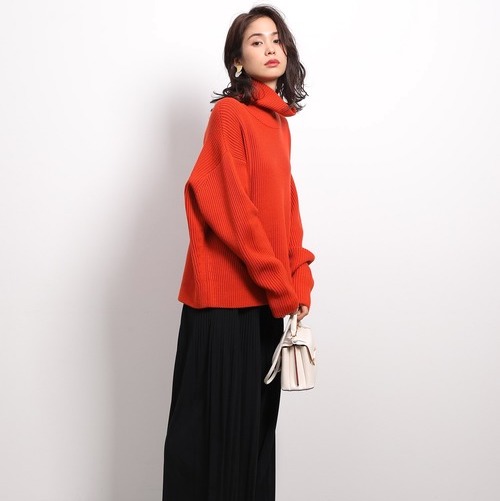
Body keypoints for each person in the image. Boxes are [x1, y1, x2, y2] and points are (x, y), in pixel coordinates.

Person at [162, 5, 315, 500]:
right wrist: (279, 285)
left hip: (265, 302)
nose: (270, 48)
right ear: (236, 60)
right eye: (256, 41)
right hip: (225, 305)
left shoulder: (279, 124)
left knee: (253, 443)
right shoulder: (229, 115)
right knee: (219, 445)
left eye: (276, 39)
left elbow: (285, 208)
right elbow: (233, 210)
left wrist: (298, 277)